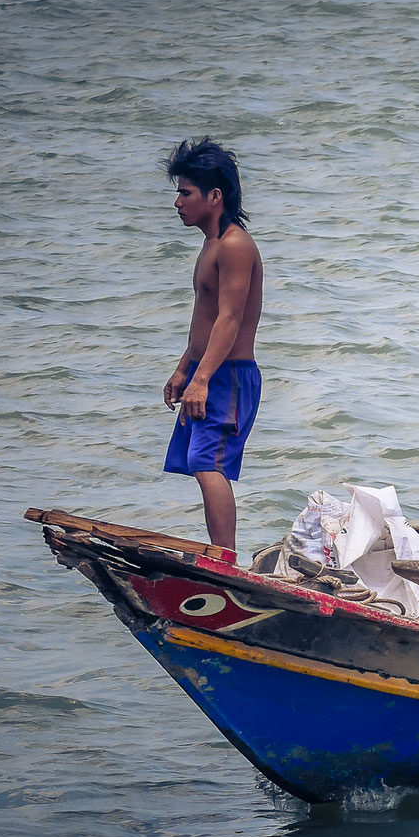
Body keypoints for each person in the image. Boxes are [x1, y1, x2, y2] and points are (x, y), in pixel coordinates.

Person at [162, 138, 265, 550]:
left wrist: (202, 379)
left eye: (185, 193)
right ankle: (220, 557)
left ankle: (224, 561)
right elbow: (204, 316)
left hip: (229, 376)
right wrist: (184, 367)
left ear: (214, 195)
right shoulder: (210, 245)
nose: (178, 203)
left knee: (209, 462)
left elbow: (230, 318)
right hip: (208, 371)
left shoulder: (236, 245)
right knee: (197, 461)